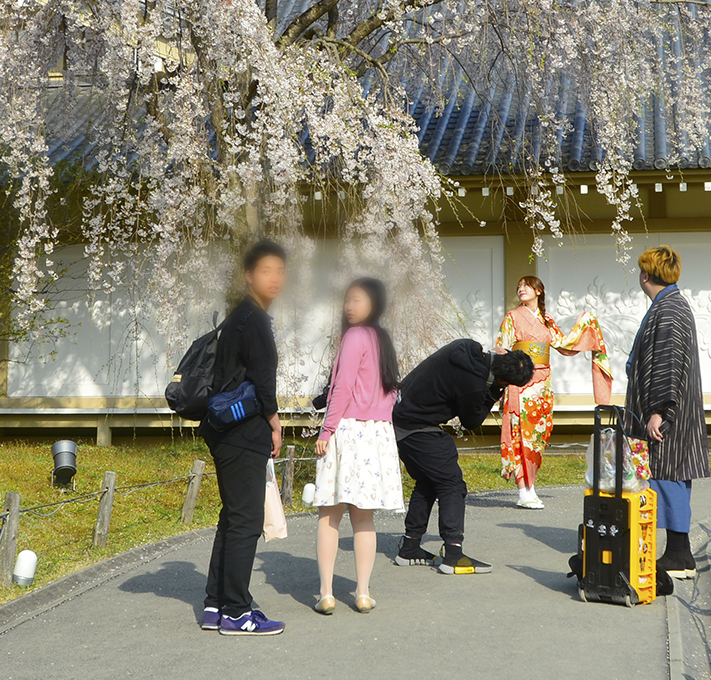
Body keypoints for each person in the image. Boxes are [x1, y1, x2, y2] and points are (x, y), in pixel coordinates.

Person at [199, 240, 287, 636]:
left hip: (225, 432)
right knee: (247, 521)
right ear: (248, 276)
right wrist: (275, 422)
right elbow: (264, 384)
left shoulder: (238, 317)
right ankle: (236, 612)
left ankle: (216, 605)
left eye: (280, 271)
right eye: (266, 270)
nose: (275, 278)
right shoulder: (254, 319)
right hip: (242, 432)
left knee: (233, 517)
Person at [389, 338, 535, 575]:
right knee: (452, 484)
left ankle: (410, 547)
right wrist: (496, 391)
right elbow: (471, 421)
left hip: (401, 416)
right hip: (416, 427)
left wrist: (498, 361)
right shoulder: (475, 386)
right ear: (507, 381)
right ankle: (453, 553)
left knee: (429, 481)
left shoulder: (465, 346)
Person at [310, 277, 405, 615]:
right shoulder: (383, 339)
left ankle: (326, 593)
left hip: (347, 432)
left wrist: (326, 430)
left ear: (374, 304)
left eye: (358, 300)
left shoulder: (354, 336)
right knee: (364, 518)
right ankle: (363, 593)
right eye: (347, 300)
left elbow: (343, 388)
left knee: (329, 514)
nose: (350, 306)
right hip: (377, 434)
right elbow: (392, 391)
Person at [494, 275, 613, 509]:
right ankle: (523, 489)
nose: (521, 289)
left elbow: (565, 343)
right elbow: (501, 349)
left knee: (538, 436)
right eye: (518, 286)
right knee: (519, 435)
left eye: (526, 286)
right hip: (520, 382)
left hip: (542, 385)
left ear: (538, 291)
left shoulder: (547, 321)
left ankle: (531, 486)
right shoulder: (512, 318)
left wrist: (586, 323)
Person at [628, 245, 709, 582]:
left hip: (669, 410)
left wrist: (659, 410)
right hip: (676, 407)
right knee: (670, 474)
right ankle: (680, 552)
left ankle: (678, 554)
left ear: (646, 275)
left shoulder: (669, 309)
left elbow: (668, 363)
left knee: (668, 473)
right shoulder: (671, 304)